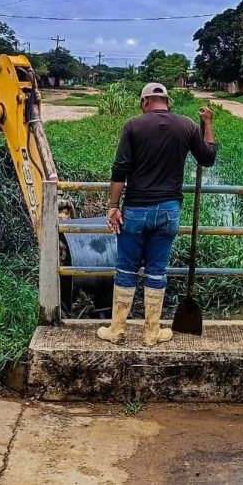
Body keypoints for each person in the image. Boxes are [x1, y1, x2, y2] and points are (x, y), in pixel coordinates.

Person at [97, 83, 218, 346]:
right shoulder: (186, 125)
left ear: (144, 103)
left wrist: (113, 206)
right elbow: (208, 158)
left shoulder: (133, 125)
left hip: (136, 209)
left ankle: (117, 330)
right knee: (156, 271)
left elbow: (120, 169)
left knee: (126, 268)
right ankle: (152, 333)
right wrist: (207, 123)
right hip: (168, 211)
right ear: (168, 102)